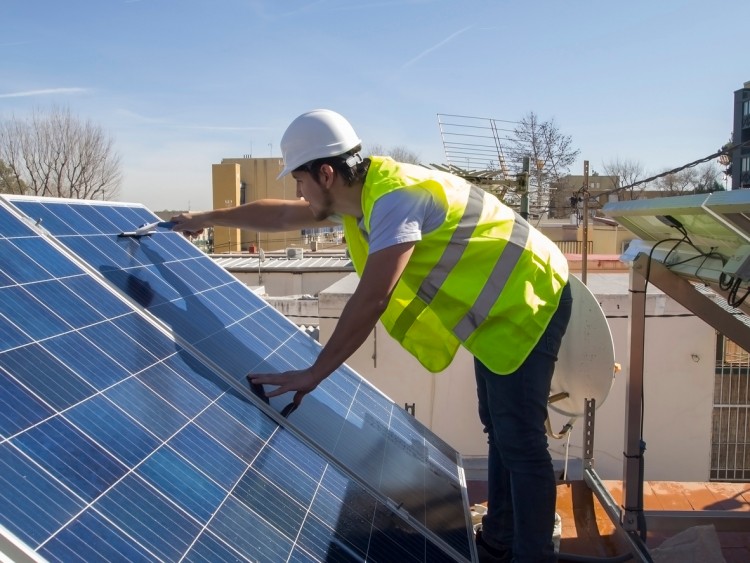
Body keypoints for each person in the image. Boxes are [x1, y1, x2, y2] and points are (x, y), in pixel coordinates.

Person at [171, 109, 572, 563]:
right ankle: (500, 540)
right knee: (499, 426)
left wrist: (314, 373)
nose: (297, 191)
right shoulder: (356, 196)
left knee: (520, 440)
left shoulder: (394, 202)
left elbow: (372, 299)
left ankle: (531, 555)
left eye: (299, 180)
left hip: (527, 296)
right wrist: (205, 216)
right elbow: (281, 215)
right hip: (495, 306)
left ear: (325, 173)